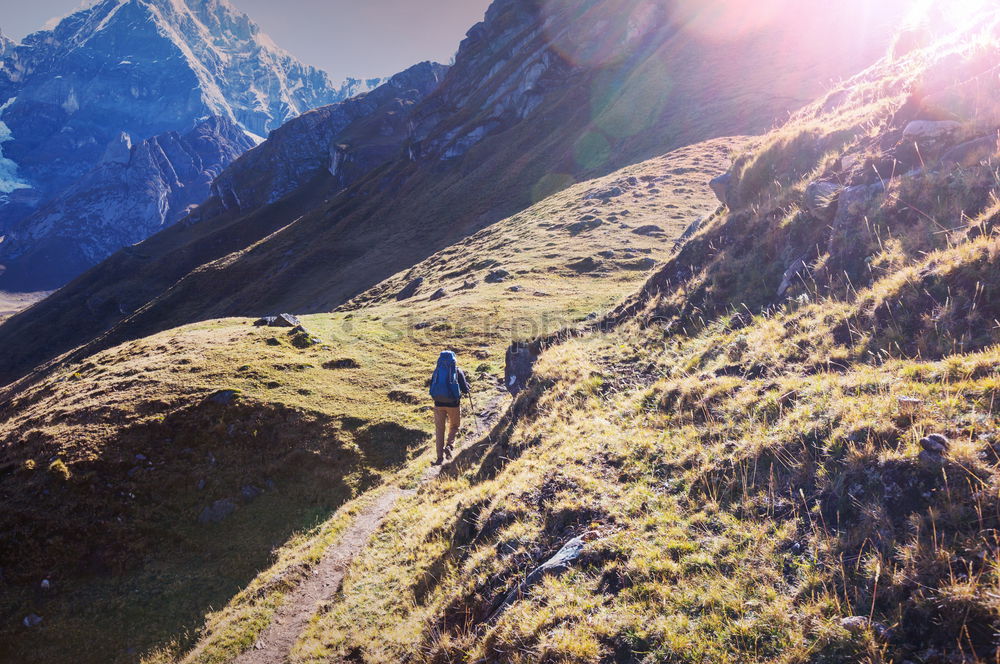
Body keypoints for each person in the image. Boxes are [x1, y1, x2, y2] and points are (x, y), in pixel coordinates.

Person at [428, 349, 471, 464]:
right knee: (454, 426)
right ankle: (449, 446)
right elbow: (465, 389)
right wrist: (467, 387)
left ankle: (439, 457)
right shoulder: (457, 370)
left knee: (439, 429)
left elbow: (431, 385)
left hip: (438, 404)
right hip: (453, 404)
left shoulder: (437, 371)